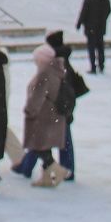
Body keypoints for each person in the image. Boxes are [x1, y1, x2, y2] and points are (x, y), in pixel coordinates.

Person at [19, 43, 69, 188]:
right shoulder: (55, 70)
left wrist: (29, 111)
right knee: (43, 146)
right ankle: (46, 177)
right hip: (53, 115)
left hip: (43, 116)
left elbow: (37, 97)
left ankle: (57, 170)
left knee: (39, 147)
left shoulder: (44, 73)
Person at [75, 0, 110, 73]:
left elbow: (84, 11)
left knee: (91, 47)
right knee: (100, 46)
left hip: (90, 27)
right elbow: (108, 10)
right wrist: (103, 19)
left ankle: (93, 67)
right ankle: (101, 66)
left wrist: (79, 23)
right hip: (101, 26)